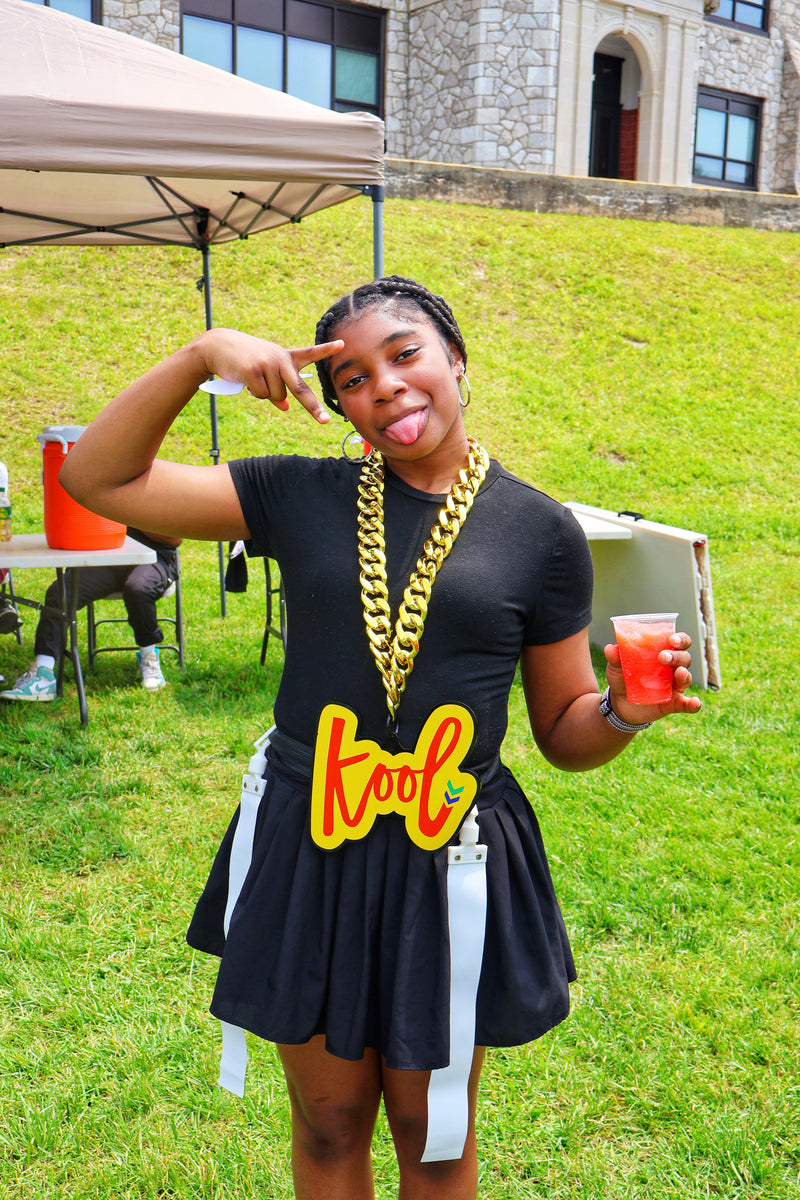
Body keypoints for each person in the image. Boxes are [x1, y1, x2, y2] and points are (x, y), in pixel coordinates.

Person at [58, 276, 701, 1199]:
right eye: (354, 377)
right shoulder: (296, 494)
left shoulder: (539, 531)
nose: (386, 387)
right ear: (338, 403)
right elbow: (99, 480)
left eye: (406, 354)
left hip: (451, 854)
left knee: (432, 1130)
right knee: (327, 1124)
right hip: (311, 839)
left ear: (456, 363)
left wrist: (624, 713)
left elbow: (564, 730)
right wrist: (204, 357)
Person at [0, 528, 181, 701]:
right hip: (107, 555)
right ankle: (43, 674)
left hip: (154, 557)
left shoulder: (162, 495)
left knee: (138, 590)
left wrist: (125, 517)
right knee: (60, 593)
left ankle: (149, 657)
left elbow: (175, 538)